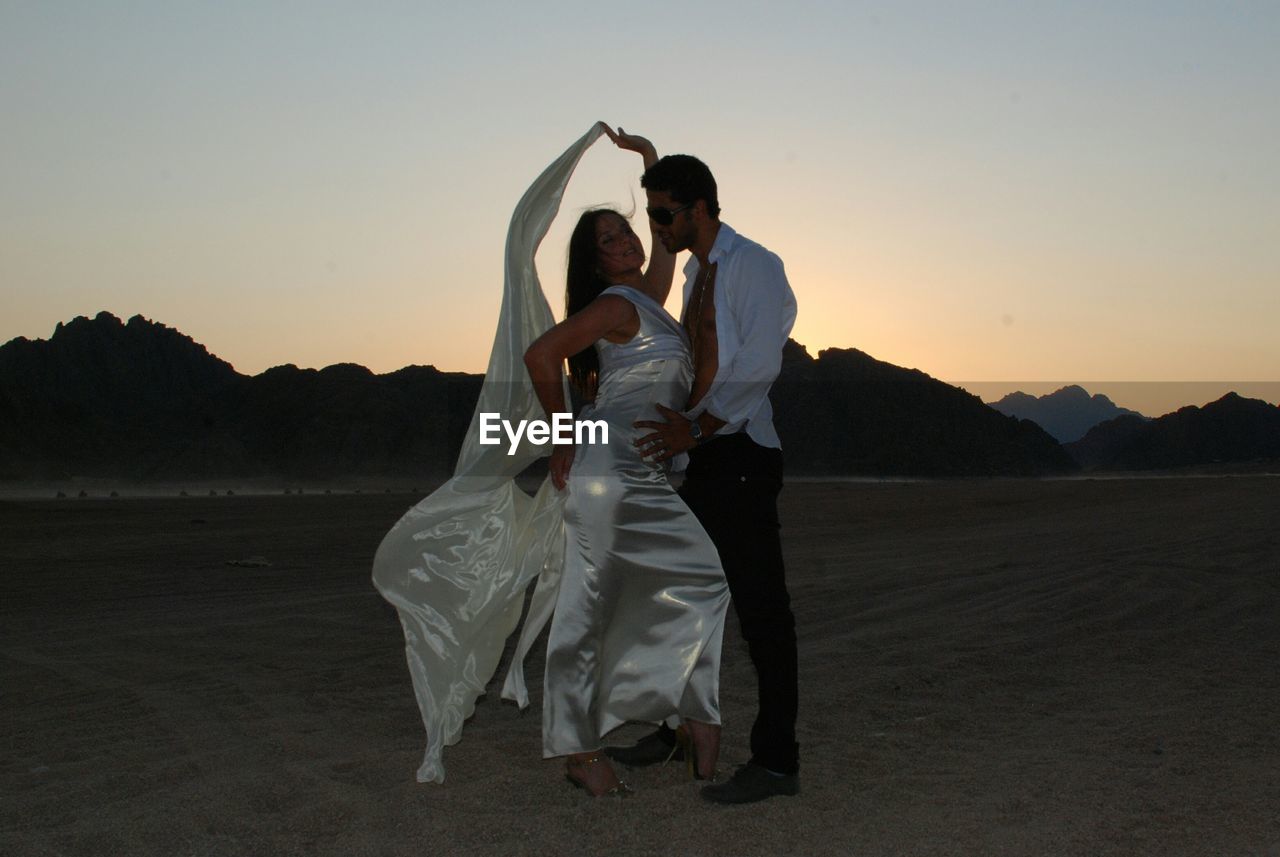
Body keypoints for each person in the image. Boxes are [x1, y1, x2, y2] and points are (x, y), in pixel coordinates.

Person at [522, 128, 730, 796]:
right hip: (608, 469)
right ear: (595, 261)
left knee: (694, 584)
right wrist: (562, 432)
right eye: (607, 240)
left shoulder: (647, 302)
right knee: (590, 603)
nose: (625, 241)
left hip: (644, 472)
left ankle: (691, 716)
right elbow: (540, 354)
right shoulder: (613, 305)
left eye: (627, 230)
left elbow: (662, 255)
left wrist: (647, 162)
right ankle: (580, 751)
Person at [608, 153, 800, 804]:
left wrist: (698, 427)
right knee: (680, 599)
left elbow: (757, 364)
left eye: (665, 214)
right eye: (654, 213)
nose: (657, 225)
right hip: (706, 454)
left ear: (699, 209)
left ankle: (777, 761)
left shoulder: (754, 266)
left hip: (741, 453)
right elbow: (700, 367)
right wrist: (678, 432)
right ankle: (675, 729)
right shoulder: (696, 275)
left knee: (761, 612)